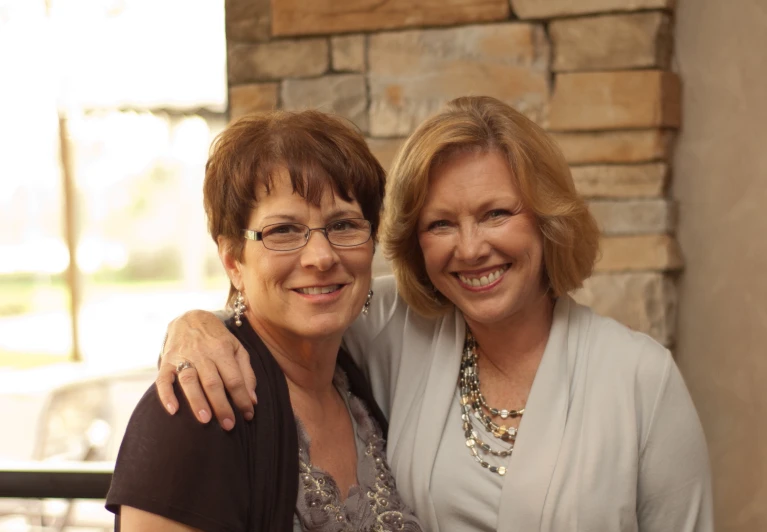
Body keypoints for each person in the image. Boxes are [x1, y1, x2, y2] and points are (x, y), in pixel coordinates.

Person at [157, 96, 714, 532]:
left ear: (546, 219)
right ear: (414, 242)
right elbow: (287, 305)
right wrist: (194, 325)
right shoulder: (395, 322)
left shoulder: (641, 377)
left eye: (495, 214)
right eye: (441, 224)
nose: (470, 249)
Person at [105, 110, 424, 531]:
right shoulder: (195, 410)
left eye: (343, 225)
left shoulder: (360, 384)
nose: (321, 257)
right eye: (284, 231)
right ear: (233, 260)